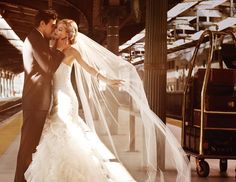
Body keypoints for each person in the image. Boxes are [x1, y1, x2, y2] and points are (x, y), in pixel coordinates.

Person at [24, 19, 191, 182]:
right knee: (54, 135)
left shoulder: (72, 51)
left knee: (64, 133)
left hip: (66, 97)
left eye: (60, 29)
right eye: (57, 28)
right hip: (54, 97)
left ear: (68, 34)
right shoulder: (51, 48)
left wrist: (107, 80)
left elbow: (89, 68)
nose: (56, 31)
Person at [14, 10, 66, 182]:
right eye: (52, 25)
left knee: (31, 146)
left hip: (38, 100)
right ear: (42, 24)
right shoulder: (35, 39)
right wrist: (59, 50)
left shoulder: (39, 39)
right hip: (36, 101)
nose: (54, 29)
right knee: (28, 146)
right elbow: (49, 68)